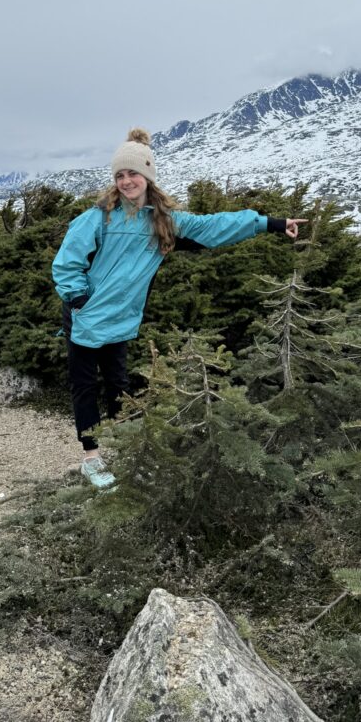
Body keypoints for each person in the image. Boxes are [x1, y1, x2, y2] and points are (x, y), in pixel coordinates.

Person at [52, 128, 306, 488]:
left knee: (118, 384)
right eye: (120, 175)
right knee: (84, 385)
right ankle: (91, 458)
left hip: (121, 318)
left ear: (148, 176)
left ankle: (128, 450)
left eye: (133, 173)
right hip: (85, 315)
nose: (126, 181)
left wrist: (271, 224)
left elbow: (214, 226)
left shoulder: (164, 221)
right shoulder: (99, 217)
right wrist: (79, 298)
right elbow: (67, 262)